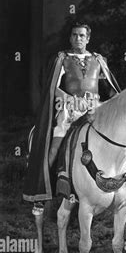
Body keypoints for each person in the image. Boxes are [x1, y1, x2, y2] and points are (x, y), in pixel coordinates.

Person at [23, 22, 120, 213]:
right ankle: (42, 191)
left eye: (82, 35)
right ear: (70, 38)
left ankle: (118, 185)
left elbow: (111, 89)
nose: (78, 39)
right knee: (54, 146)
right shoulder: (62, 59)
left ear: (88, 38)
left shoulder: (99, 60)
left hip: (95, 109)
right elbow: (52, 88)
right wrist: (69, 99)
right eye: (75, 35)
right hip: (69, 109)